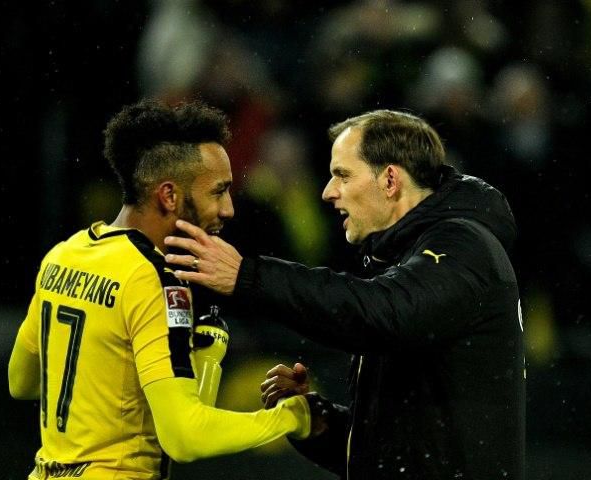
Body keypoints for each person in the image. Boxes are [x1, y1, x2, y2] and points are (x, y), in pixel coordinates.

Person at [164, 110, 525, 479]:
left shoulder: (464, 245)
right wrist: (319, 422)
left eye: (342, 175)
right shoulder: (402, 260)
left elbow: (385, 313)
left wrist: (250, 277)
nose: (328, 191)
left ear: (389, 180)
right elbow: (395, 452)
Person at [7, 99, 311, 480]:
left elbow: (22, 382)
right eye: (218, 192)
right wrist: (292, 418)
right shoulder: (154, 280)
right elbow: (185, 438)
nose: (229, 208)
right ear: (168, 196)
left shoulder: (63, 256)